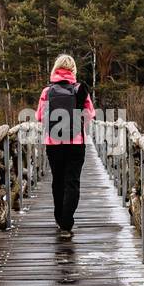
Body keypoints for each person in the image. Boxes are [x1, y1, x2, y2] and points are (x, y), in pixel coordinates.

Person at [35, 54, 95, 239]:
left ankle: (59, 217)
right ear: (73, 71)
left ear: (55, 69)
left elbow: (39, 116)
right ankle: (67, 223)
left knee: (58, 180)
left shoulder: (47, 91)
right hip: (76, 144)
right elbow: (90, 114)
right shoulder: (80, 90)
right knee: (72, 181)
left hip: (53, 143)